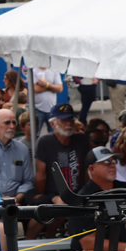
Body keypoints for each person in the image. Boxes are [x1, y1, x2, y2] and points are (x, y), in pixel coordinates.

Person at [25, 103, 90, 242]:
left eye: (71, 120)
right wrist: (42, 197)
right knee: (57, 206)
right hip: (52, 193)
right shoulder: (45, 142)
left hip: (77, 192)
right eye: (64, 120)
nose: (68, 123)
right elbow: (41, 175)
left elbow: (85, 170)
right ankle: (31, 244)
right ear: (53, 124)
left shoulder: (82, 140)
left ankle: (62, 242)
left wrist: (87, 191)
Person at [31, 67, 64, 134]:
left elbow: (60, 89)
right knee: (35, 134)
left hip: (52, 109)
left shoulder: (54, 71)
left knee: (54, 134)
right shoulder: (34, 71)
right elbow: (35, 89)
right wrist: (52, 87)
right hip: (38, 109)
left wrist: (46, 84)